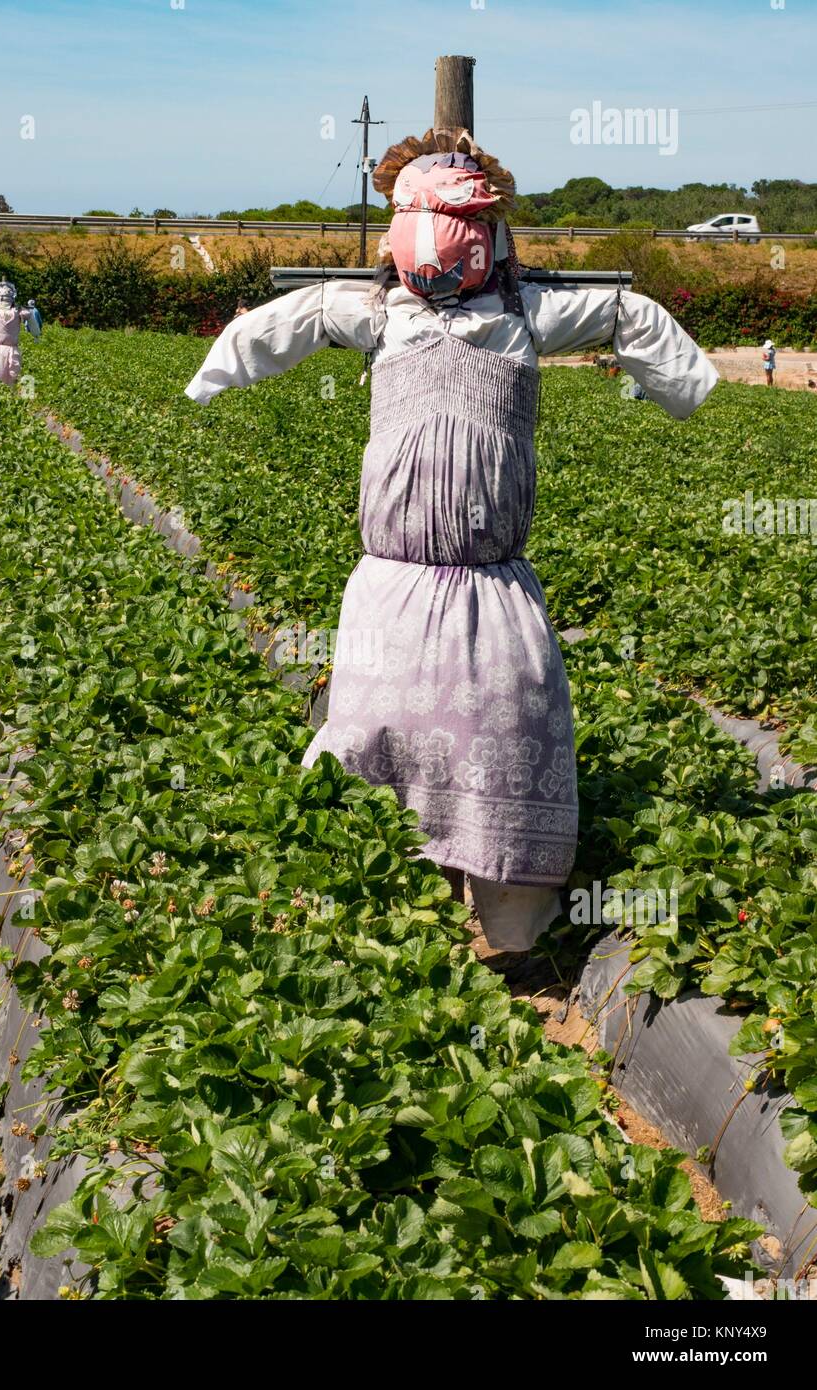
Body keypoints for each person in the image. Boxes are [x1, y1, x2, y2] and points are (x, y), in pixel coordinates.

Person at [184, 128, 719, 958]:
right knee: (381, 742)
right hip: (392, 586)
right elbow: (288, 319)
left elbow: (624, 312)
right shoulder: (377, 312)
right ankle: (399, 926)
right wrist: (216, 373)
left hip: (489, 585)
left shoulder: (522, 316)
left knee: (505, 737)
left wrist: (678, 386)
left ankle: (509, 938)